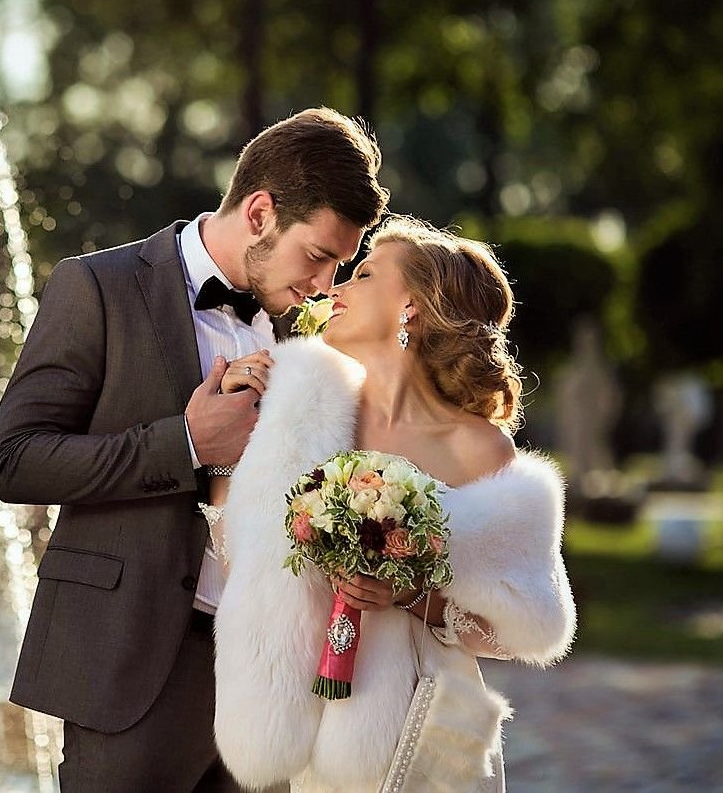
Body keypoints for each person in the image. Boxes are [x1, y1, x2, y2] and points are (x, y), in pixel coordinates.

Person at [0, 108, 389, 790]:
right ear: (259, 213)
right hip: (132, 667)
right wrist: (184, 442)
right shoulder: (98, 288)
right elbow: (16, 459)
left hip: (266, 682)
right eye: (318, 256)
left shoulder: (301, 331)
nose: (324, 284)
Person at [211, 216, 577, 792]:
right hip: (317, 744)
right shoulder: (299, 411)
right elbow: (241, 556)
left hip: (428, 737)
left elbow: (523, 623)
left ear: (410, 306)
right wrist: (233, 437)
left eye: (363, 276)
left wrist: (410, 593)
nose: (336, 288)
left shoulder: (479, 448)